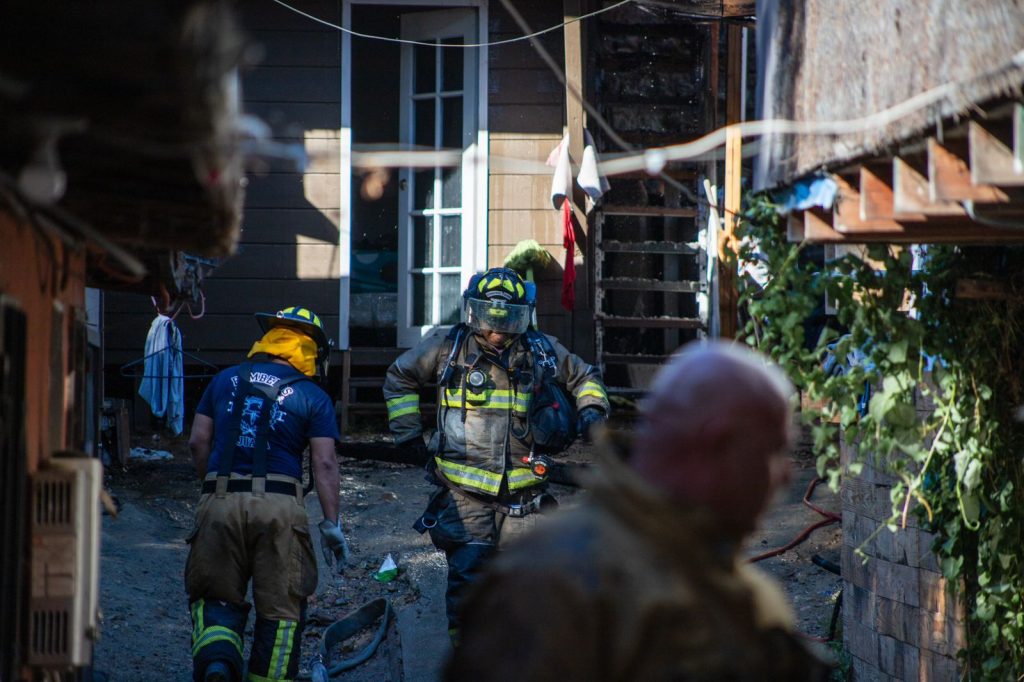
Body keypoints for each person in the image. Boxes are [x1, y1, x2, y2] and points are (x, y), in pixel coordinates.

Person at [446, 341, 834, 681]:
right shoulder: (553, 584)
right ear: (717, 443)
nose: (785, 476)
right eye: (773, 453)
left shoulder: (737, 585)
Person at [383, 267, 610, 640]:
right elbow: (399, 376)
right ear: (474, 314)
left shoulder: (541, 349)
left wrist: (591, 409)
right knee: (469, 588)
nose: (497, 332)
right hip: (463, 496)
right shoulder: (448, 347)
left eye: (507, 322)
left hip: (524, 497)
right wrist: (407, 434)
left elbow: (586, 376)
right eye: (489, 321)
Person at [185, 306, 350, 682]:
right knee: (281, 611)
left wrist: (212, 489)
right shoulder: (313, 395)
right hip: (280, 509)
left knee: (216, 596)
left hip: (219, 501)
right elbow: (324, 465)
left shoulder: (223, 380)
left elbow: (197, 442)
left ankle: (218, 665)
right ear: (311, 350)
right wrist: (331, 523)